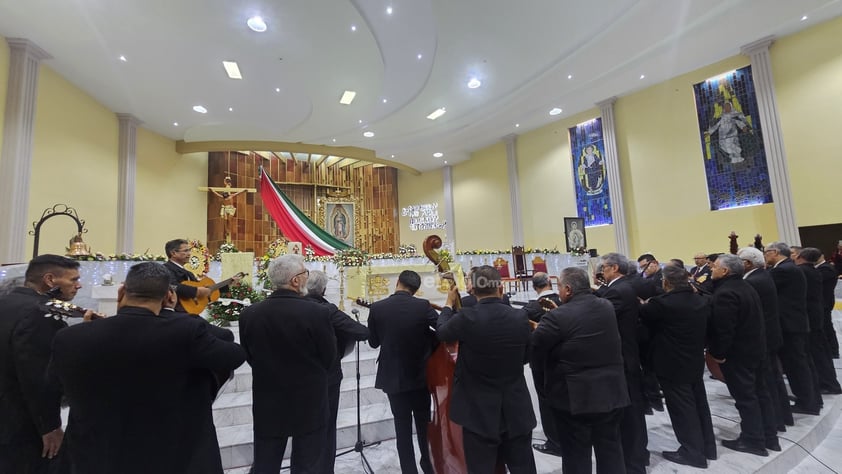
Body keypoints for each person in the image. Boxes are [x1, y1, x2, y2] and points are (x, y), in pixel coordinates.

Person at [49, 262, 246, 474]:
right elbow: (234, 355)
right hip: (174, 452)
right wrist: (172, 314)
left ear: (122, 291)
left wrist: (92, 331)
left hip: (98, 453)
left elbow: (54, 386)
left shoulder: (70, 337)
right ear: (170, 297)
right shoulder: (186, 331)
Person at [239, 255, 336, 473]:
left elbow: (249, 355)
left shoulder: (249, 314)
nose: (306, 278)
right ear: (295, 280)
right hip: (309, 401)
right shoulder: (317, 312)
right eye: (305, 273)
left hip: (268, 401)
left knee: (265, 463)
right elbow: (329, 358)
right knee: (307, 464)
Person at [437, 265, 537, 473]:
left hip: (477, 412)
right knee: (523, 466)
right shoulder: (520, 317)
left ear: (472, 290)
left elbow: (443, 332)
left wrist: (448, 305)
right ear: (500, 288)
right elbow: (527, 356)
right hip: (515, 408)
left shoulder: (467, 318)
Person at [531, 267, 629, 474]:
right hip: (611, 391)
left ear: (567, 289)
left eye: (559, 287)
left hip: (575, 398)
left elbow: (536, 351)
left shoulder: (557, 317)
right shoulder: (606, 306)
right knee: (611, 450)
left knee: (576, 455)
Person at [0, 255, 83, 473]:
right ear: (49, 280)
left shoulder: (5, 302)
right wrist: (50, 425)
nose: (78, 285)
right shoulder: (42, 313)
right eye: (73, 280)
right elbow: (38, 376)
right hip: (21, 422)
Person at [640, 264, 716, 468]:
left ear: (666, 282)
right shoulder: (700, 300)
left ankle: (692, 453)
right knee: (699, 404)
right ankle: (708, 447)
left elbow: (644, 315)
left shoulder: (662, 303)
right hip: (693, 360)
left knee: (682, 409)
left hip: (671, 363)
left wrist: (642, 304)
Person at [159, 285, 239, 473]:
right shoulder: (189, 324)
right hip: (188, 411)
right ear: (171, 296)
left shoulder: (103, 331)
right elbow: (231, 346)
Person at [367, 270, 437, 474]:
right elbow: (442, 329)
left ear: (397, 282)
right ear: (416, 290)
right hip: (420, 375)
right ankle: (428, 467)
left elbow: (373, 343)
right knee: (424, 425)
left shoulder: (378, 308)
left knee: (402, 427)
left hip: (393, 377)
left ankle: (409, 470)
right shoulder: (423, 306)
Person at [708, 254, 778, 456]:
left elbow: (724, 329)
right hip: (755, 350)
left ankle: (753, 440)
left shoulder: (726, 293)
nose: (712, 269)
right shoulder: (745, 286)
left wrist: (718, 354)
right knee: (761, 393)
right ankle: (769, 437)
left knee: (745, 398)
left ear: (725, 271)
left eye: (715, 267)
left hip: (738, 354)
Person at [305, 270, 369, 473]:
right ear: (323, 289)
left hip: (296, 378)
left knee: (302, 428)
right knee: (326, 425)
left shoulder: (293, 306)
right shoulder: (327, 310)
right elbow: (361, 332)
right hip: (326, 377)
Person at [597, 253, 649, 474]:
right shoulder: (623, 287)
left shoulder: (618, 290)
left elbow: (601, 316)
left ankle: (634, 461)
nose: (602, 271)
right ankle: (639, 455)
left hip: (623, 356)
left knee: (630, 412)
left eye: (604, 268)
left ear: (614, 268)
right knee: (632, 409)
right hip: (628, 353)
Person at [738, 247, 792, 430]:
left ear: (747, 263)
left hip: (763, 337)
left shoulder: (753, 281)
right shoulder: (762, 275)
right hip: (770, 334)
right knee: (773, 379)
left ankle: (775, 421)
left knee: (767, 382)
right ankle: (782, 417)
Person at [765, 242, 820, 414]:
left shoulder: (783, 270)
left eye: (766, 253)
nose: (765, 256)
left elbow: (767, 288)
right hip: (797, 322)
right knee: (803, 363)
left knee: (796, 365)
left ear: (774, 252)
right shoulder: (791, 267)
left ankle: (807, 403)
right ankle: (812, 399)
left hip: (789, 325)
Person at [522, 272, 563, 457]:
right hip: (565, 359)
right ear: (549, 282)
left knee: (546, 401)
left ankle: (555, 442)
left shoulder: (531, 308)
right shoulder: (564, 300)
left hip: (542, 360)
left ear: (534, 286)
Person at [795, 248, 841, 395]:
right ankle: (828, 382)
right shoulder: (814, 270)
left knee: (819, 349)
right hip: (817, 312)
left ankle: (828, 383)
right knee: (821, 348)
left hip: (816, 313)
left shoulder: (815, 270)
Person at [163, 239, 211, 312]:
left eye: (189, 250)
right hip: (175, 312)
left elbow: (200, 287)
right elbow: (172, 286)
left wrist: (226, 285)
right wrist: (195, 291)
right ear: (173, 253)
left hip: (189, 311)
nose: (189, 254)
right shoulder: (165, 269)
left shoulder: (189, 273)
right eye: (186, 251)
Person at [815, 252, 840, 359]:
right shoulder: (821, 268)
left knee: (827, 326)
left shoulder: (826, 269)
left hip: (825, 302)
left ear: (821, 256)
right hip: (822, 302)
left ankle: (833, 350)